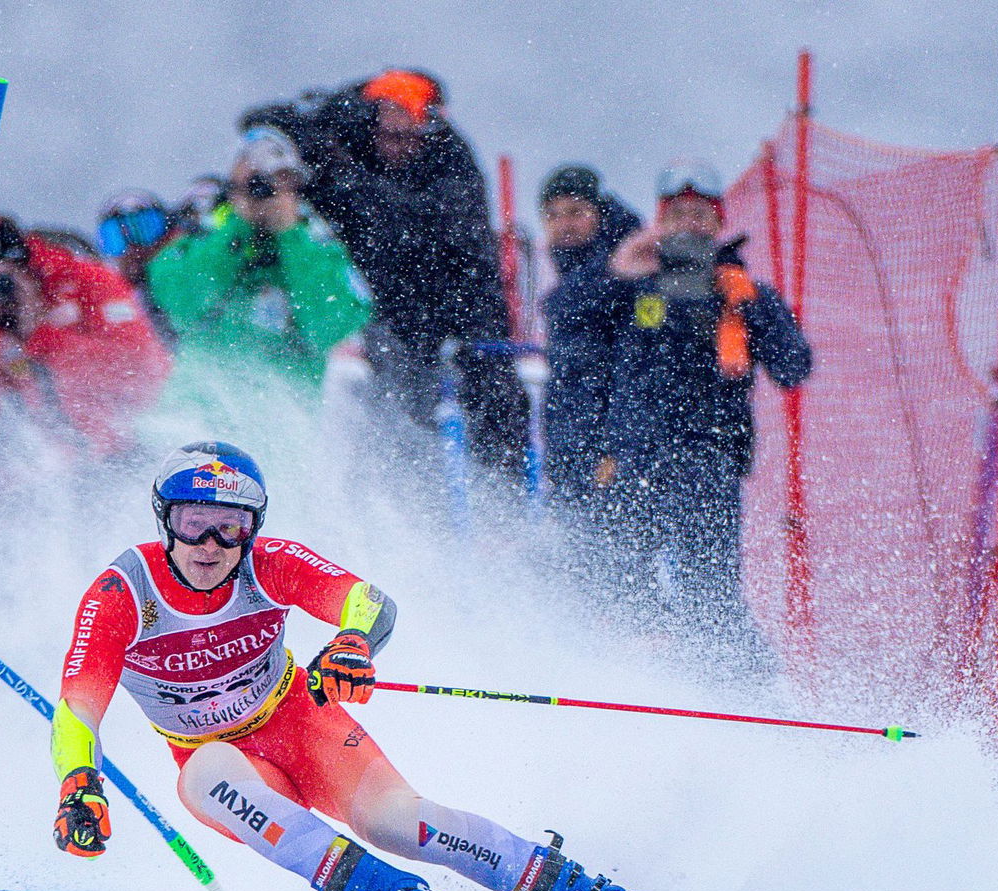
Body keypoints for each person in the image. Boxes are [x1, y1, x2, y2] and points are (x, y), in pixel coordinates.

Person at [50, 441, 683, 891]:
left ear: (252, 529)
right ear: (165, 519)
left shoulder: (269, 564)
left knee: (397, 821)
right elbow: (78, 710)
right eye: (194, 525)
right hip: (224, 763)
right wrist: (79, 783)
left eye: (230, 528)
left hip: (302, 724)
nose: (211, 547)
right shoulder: (123, 593)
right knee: (205, 776)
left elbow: (367, 601)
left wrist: (353, 642)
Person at [242, 71, 526, 477]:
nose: (400, 145)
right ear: (370, 118)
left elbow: (412, 224)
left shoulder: (452, 162)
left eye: (411, 136)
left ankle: (497, 489)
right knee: (386, 405)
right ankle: (379, 482)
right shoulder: (343, 124)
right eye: (390, 134)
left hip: (445, 302)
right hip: (369, 299)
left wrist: (344, 177)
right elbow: (260, 120)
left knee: (478, 398)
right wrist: (309, 152)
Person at [599, 160, 812, 657]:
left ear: (719, 222)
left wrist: (749, 306)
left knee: (710, 592)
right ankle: (643, 676)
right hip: (635, 462)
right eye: (677, 214)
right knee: (625, 586)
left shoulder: (742, 292)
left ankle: (738, 684)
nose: (689, 225)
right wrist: (618, 269)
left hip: (708, 462)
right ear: (660, 220)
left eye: (700, 214)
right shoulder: (630, 286)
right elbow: (569, 327)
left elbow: (793, 367)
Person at [146, 129, 372, 416]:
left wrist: (290, 235)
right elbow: (184, 303)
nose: (265, 192)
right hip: (196, 416)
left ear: (295, 185)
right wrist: (238, 227)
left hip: (280, 422)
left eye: (280, 180)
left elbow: (329, 325)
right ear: (232, 185)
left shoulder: (321, 248)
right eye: (255, 182)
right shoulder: (201, 237)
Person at [0, 214, 170, 460]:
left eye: (3, 280)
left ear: (24, 262)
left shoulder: (88, 282)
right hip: (66, 459)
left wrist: (41, 335)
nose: (0, 292)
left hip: (139, 434)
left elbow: (139, 366)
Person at [537, 164, 642, 510]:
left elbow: (631, 369)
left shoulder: (629, 266)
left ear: (600, 212)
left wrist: (615, 446)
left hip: (609, 446)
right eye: (552, 215)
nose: (564, 224)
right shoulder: (574, 270)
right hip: (573, 440)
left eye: (575, 212)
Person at [95, 189, 180, 344]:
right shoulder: (109, 300)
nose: (133, 247)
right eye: (115, 238)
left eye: (145, 229)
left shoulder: (183, 276)